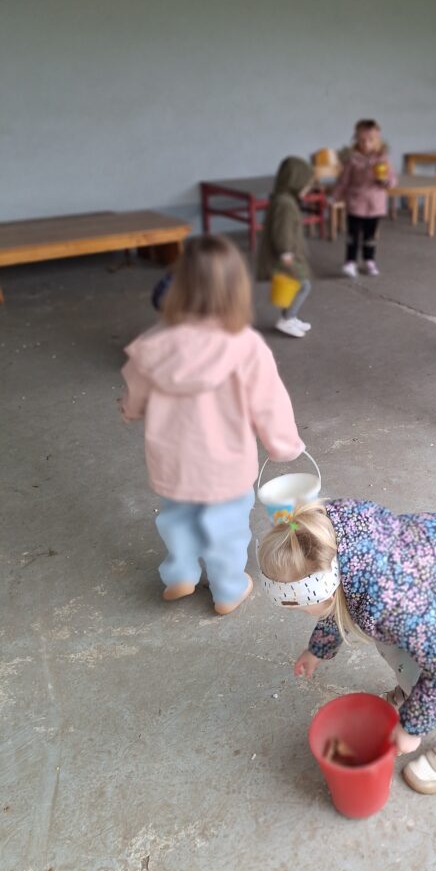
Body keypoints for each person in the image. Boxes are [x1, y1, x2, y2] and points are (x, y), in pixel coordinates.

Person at [257, 498, 436, 795]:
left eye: (301, 608)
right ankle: (414, 695)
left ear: (325, 594)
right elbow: (339, 606)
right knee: (392, 645)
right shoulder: (332, 542)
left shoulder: (391, 603)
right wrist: (318, 648)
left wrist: (411, 728)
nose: (301, 613)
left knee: (421, 673)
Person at [120, 234, 304, 615]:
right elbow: (269, 403)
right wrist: (283, 444)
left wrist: (131, 409)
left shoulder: (154, 342)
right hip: (225, 466)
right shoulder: (247, 346)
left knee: (177, 517)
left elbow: (136, 389)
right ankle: (228, 589)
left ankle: (180, 574)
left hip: (172, 460)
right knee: (226, 527)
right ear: (237, 290)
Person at [258, 156, 316, 339]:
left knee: (295, 285)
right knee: (302, 285)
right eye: (306, 186)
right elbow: (282, 230)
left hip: (289, 252)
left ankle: (291, 316)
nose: (307, 190)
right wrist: (285, 252)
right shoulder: (285, 204)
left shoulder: (284, 199)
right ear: (295, 182)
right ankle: (287, 319)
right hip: (286, 254)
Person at [333, 119, 396, 278]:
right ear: (356, 139)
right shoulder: (352, 159)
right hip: (355, 203)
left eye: (370, 140)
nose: (366, 144)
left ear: (378, 140)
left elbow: (392, 181)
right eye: (361, 140)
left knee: (370, 236)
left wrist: (385, 181)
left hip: (375, 205)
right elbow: (343, 181)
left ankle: (369, 260)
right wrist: (334, 196)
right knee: (352, 235)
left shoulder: (383, 159)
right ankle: (350, 262)